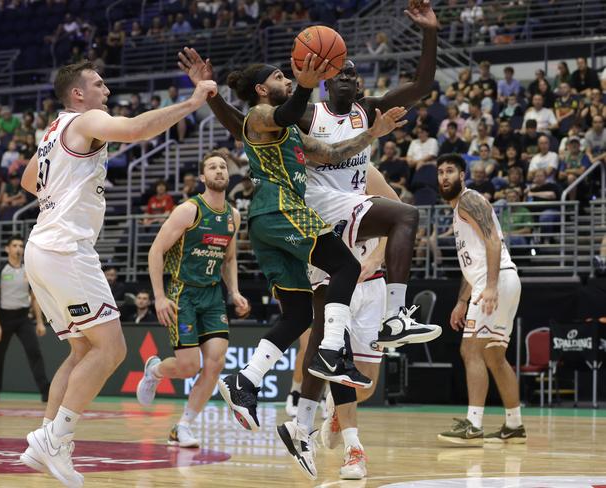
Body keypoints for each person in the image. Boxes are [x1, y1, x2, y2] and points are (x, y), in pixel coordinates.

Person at [177, 1, 442, 478]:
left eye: (355, 75)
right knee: (405, 218)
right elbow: (248, 125)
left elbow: (421, 87)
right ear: (325, 77)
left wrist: (429, 32)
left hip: (329, 220)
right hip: (314, 212)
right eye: (342, 73)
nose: (350, 79)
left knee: (318, 328)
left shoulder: (365, 112)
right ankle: (398, 317)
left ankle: (294, 419)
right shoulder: (302, 113)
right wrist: (214, 94)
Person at [18, 60, 216, 487]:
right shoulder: (88, 118)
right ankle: (57, 437)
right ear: (78, 94)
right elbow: (135, 131)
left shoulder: (53, 131)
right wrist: (192, 101)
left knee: (80, 353)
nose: (105, 89)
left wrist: (63, 197)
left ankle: (45, 440)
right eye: (98, 83)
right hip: (67, 248)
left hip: (41, 247)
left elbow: (27, 178)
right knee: (110, 351)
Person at [137, 151, 251, 447]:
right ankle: (155, 370)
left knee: (215, 362)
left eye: (223, 167)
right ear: (203, 177)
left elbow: (229, 258)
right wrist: (159, 297)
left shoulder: (233, 216)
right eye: (212, 167)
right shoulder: (189, 210)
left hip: (213, 295)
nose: (218, 171)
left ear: (228, 174)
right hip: (182, 293)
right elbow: (156, 251)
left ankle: (183, 425)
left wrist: (235, 291)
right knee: (188, 366)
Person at [436, 153, 526, 446]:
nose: (444, 177)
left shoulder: (469, 200)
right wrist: (462, 301)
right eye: (440, 172)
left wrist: (489, 287)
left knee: (470, 349)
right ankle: (514, 425)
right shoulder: (459, 209)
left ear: (462, 176)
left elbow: (493, 241)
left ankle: (473, 425)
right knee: (494, 356)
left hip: (497, 279)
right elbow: (471, 263)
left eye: (450, 171)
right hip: (500, 280)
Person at [0, 235, 50, 403]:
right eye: (14, 245)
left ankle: (46, 392)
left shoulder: (28, 271)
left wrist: (40, 322)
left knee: (34, 352)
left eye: (21, 245)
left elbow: (34, 298)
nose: (18, 249)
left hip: (23, 319)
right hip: (4, 318)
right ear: (7, 249)